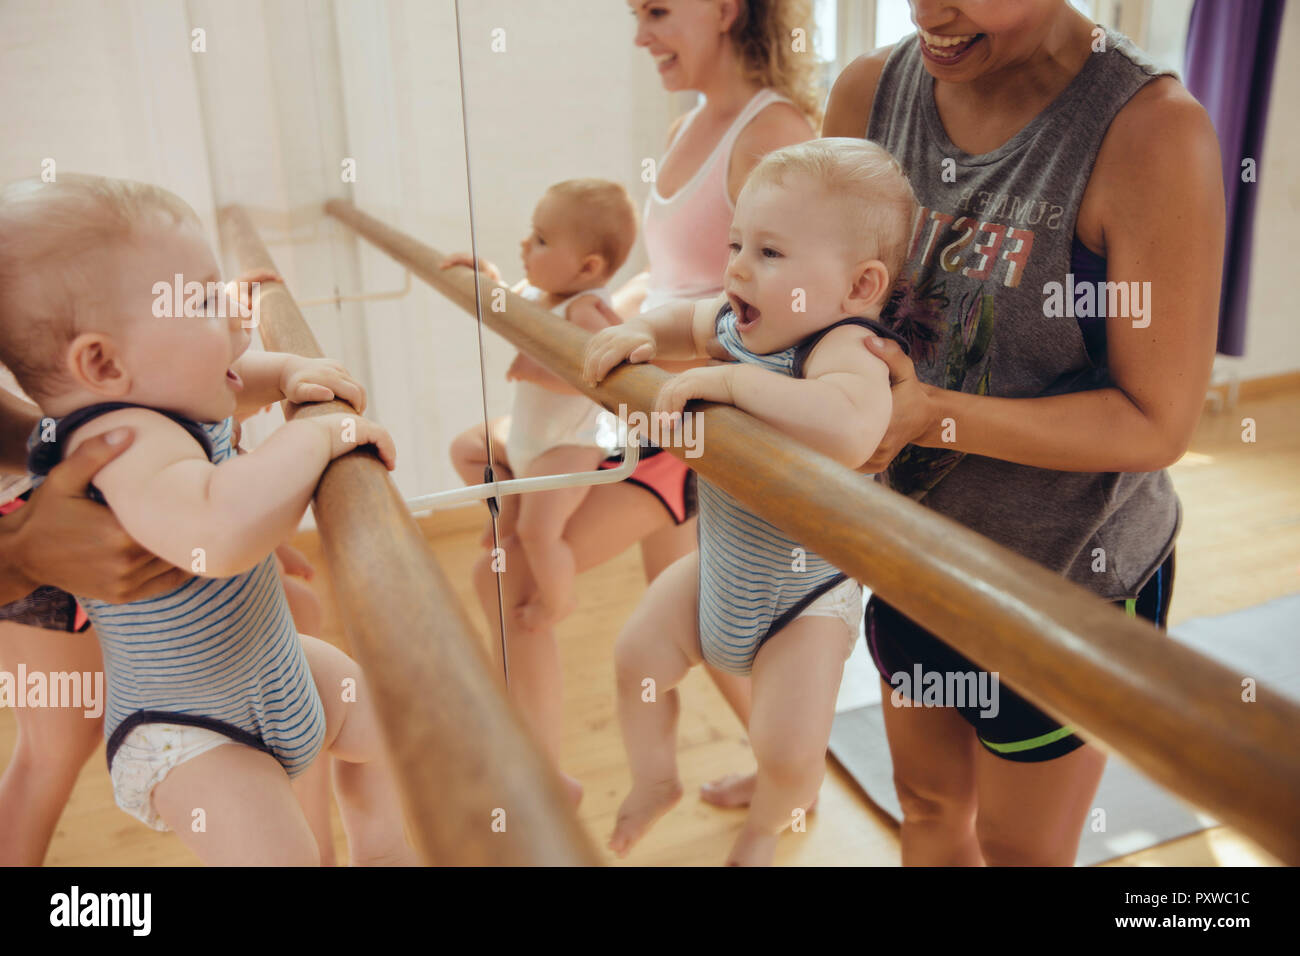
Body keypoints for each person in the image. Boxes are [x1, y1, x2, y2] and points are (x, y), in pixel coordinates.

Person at [819, 0, 1221, 864]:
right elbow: (809, 301)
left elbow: (1156, 423)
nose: (929, 11)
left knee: (1020, 850)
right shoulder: (868, 94)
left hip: (1071, 574)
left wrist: (934, 414)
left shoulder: (1148, 133)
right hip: (910, 550)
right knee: (926, 804)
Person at [461, 0, 821, 807]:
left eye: (657, 10)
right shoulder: (687, 127)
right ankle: (787, 782)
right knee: (712, 628)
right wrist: (572, 313)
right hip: (642, 401)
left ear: (726, 9)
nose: (639, 35)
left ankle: (539, 787)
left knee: (516, 585)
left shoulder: (774, 136)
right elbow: (668, 282)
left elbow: (791, 319)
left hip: (689, 421)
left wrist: (616, 348)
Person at [0, 174, 415, 865]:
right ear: (102, 361)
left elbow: (236, 378)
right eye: (199, 299)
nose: (232, 310)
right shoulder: (118, 445)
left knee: (394, 729)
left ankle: (382, 844)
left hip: (271, 668)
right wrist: (313, 438)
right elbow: (215, 535)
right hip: (191, 734)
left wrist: (288, 375)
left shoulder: (163, 398)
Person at [586, 138, 914, 864]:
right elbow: (679, 323)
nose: (737, 267)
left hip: (806, 595)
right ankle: (656, 777)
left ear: (859, 287)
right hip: (721, 566)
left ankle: (770, 825)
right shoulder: (738, 326)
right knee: (637, 658)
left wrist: (732, 384)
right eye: (738, 243)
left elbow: (853, 428)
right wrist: (639, 331)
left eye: (769, 253)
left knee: (788, 748)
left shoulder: (842, 347)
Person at [447, 179, 635, 631]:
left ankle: (558, 601)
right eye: (533, 232)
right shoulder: (539, 292)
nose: (525, 243)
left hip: (570, 446)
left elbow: (605, 380)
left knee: (539, 533)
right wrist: (483, 275)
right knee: (466, 450)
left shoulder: (586, 311)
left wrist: (543, 372)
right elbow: (503, 305)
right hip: (528, 435)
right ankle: (507, 515)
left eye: (542, 240)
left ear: (588, 267)